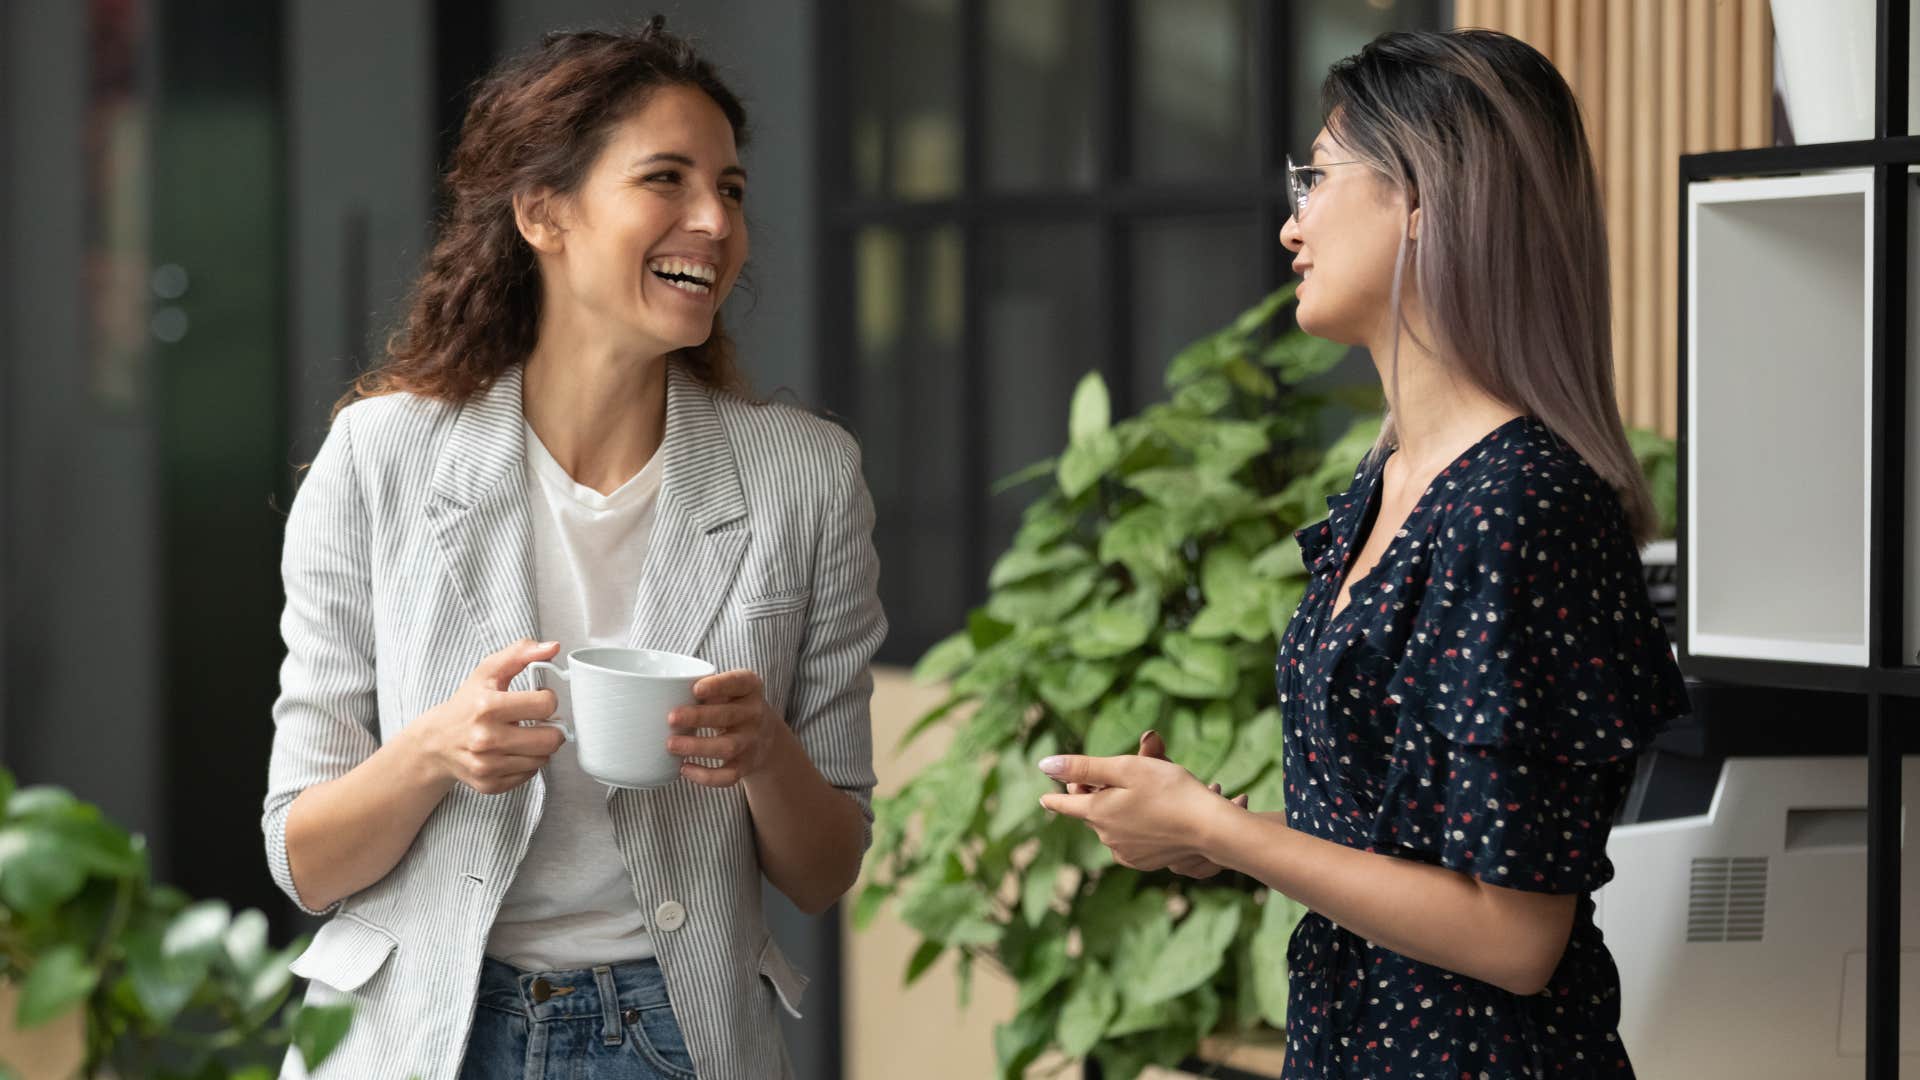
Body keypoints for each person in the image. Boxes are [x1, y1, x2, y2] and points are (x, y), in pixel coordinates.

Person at [1037, 29, 1688, 1079]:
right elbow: (1410, 851)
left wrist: (1228, 831)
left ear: (1426, 197)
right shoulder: (1385, 484)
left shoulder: (1521, 505)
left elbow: (1515, 941)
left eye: (1320, 177)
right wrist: (1201, 835)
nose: (1292, 224)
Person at [262, 19, 885, 1079]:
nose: (714, 221)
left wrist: (764, 753)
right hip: (420, 1030)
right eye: (667, 179)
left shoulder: (807, 478)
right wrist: (435, 751)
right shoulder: (380, 457)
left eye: (730, 189)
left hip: (676, 1033)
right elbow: (306, 860)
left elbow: (824, 872)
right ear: (543, 212)